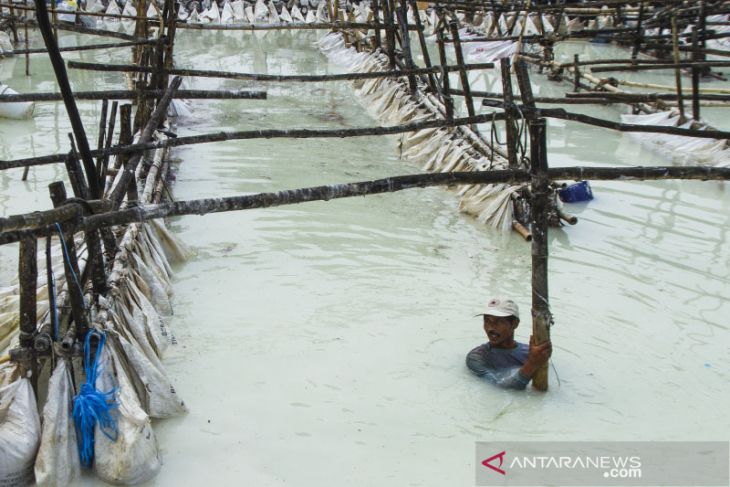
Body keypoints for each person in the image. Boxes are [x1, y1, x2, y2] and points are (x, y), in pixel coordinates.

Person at [465, 297, 552, 390]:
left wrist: (538, 359)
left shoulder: (533, 353)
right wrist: (531, 364)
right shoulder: (477, 357)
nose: (490, 328)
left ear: (514, 324)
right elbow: (499, 388)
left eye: (499, 321)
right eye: (487, 320)